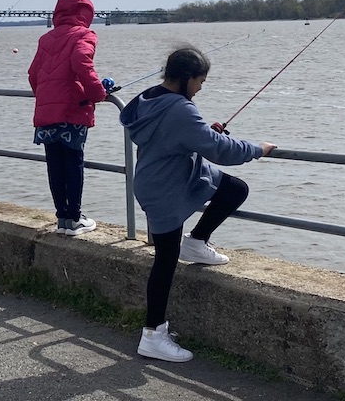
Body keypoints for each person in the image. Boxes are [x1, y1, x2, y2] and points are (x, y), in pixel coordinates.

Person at [119, 46, 277, 363]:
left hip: (174, 173)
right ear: (187, 77)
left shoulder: (149, 98)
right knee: (165, 260)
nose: (201, 88)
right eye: (201, 82)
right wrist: (258, 149)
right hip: (164, 187)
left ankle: (197, 242)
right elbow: (221, 150)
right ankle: (152, 335)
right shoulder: (179, 108)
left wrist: (203, 132)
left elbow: (182, 134)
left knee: (233, 190)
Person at [28, 0, 109, 236]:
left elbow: (33, 74)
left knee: (54, 164)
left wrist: (46, 97)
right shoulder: (84, 34)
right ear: (85, 13)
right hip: (72, 110)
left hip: (47, 111)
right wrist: (98, 93)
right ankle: (74, 218)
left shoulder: (46, 39)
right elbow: (82, 63)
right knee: (73, 162)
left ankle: (62, 218)